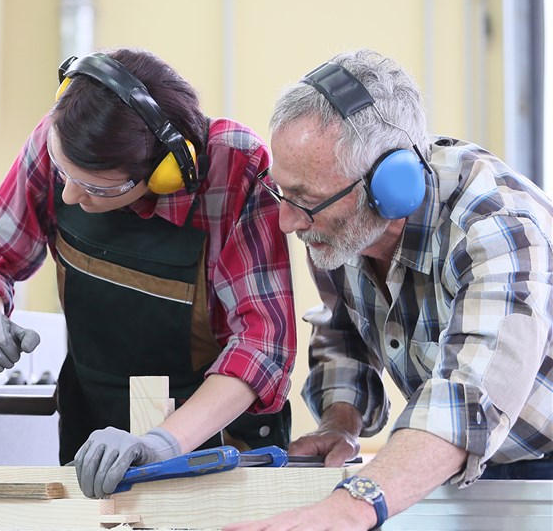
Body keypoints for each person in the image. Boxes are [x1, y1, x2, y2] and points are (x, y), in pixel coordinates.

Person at [0, 47, 297, 499]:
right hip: (94, 427)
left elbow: (263, 344)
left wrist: (161, 443)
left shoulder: (234, 167)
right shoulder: (60, 142)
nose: (69, 195)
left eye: (94, 186)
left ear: (164, 173)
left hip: (216, 441)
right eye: (63, 173)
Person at [228, 49, 553, 531]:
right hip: (454, 460)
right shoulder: (338, 226)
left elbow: (466, 404)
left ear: (391, 186)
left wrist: (349, 508)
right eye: (282, 192)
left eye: (307, 201)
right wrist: (340, 423)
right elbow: (342, 330)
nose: (287, 221)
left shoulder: (496, 227)